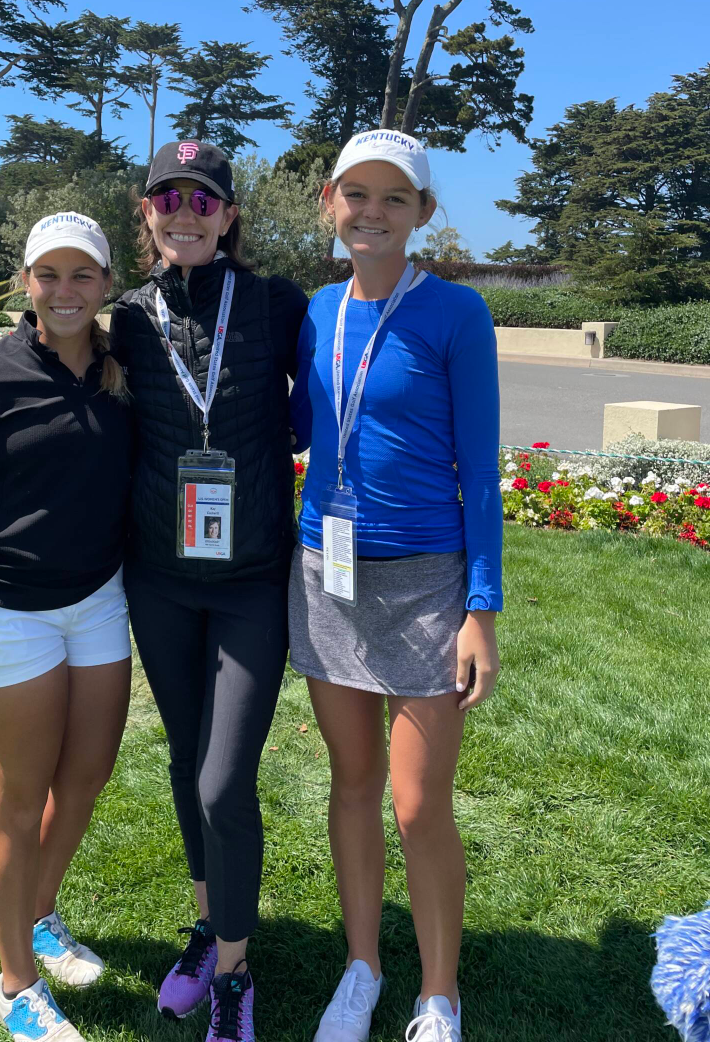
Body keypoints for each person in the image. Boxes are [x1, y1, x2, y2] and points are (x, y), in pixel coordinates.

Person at [287, 130, 502, 1042]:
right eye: (356, 194)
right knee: (352, 783)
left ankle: (437, 993)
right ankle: (363, 966)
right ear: (329, 201)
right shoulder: (316, 309)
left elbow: (481, 473)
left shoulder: (457, 314)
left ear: (423, 213)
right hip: (325, 576)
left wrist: (481, 611)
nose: (371, 213)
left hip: (425, 585)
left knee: (420, 804)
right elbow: (292, 422)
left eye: (394, 198)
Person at [110, 140, 308, 1041]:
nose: (184, 212)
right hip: (159, 582)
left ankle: (233, 973)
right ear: (145, 215)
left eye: (203, 198)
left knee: (227, 781)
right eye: (167, 198)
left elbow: (330, 406)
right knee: (187, 766)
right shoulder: (126, 318)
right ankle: (208, 924)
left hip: (249, 584)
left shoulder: (275, 306)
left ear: (229, 216)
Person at [0, 212, 134, 1042]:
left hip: (100, 604)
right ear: (24, 284)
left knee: (84, 778)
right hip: (8, 615)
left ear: (107, 285)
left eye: (82, 275)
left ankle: (40, 914)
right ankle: (16, 984)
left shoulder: (123, 374)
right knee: (17, 797)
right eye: (49, 275)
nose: (66, 291)